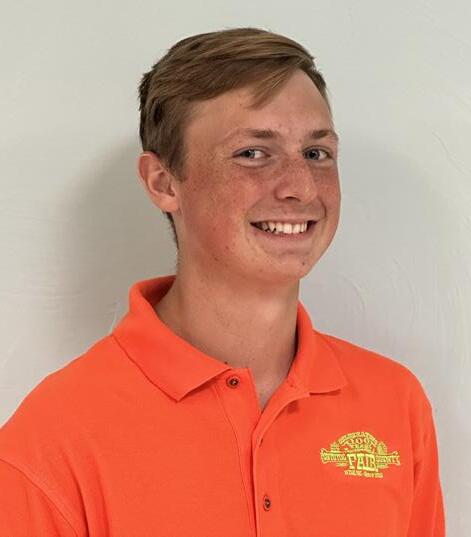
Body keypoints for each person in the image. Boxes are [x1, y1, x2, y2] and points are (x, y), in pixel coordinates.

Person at [0, 27, 445, 536]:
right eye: (253, 153)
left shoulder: (395, 404)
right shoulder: (52, 441)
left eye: (316, 153)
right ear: (163, 183)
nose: (301, 187)